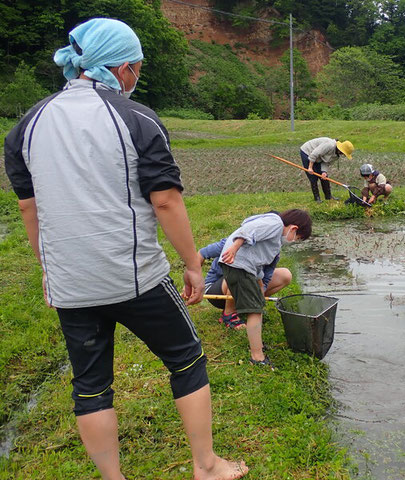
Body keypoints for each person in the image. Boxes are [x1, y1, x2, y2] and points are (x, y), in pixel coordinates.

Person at [3, 18, 247, 480]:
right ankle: (207, 465)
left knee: (91, 385)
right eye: (137, 68)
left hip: (71, 282)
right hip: (134, 276)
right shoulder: (137, 118)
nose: (136, 77)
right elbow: (166, 199)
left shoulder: (25, 127)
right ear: (124, 67)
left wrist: (47, 267)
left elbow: (30, 210)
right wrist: (193, 265)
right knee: (187, 358)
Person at [219, 209, 312, 367]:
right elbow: (248, 230)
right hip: (238, 265)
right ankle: (257, 357)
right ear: (294, 228)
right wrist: (234, 248)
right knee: (255, 311)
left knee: (257, 306)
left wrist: (260, 286)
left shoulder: (275, 242)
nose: (294, 241)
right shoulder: (275, 223)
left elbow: (260, 266)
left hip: (244, 268)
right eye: (297, 238)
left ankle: (258, 346)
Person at [199, 236, 292, 329]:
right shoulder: (235, 241)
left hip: (248, 282)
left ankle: (248, 306)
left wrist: (260, 292)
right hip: (217, 290)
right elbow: (203, 253)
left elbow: (266, 277)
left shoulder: (273, 249)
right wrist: (192, 281)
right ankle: (228, 314)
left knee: (285, 275)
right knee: (239, 272)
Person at [300, 137, 354, 202]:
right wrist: (310, 167)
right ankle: (317, 199)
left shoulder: (336, 155)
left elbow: (326, 162)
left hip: (318, 157)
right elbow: (315, 154)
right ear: (341, 150)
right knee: (313, 177)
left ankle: (328, 197)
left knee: (324, 177)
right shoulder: (330, 145)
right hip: (307, 152)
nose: (343, 155)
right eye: (344, 153)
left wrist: (324, 172)